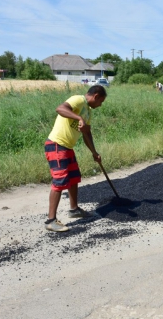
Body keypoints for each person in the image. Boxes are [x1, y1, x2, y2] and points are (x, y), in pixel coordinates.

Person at [44, 85, 107, 232]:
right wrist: (78, 117)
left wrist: (94, 152)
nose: (100, 105)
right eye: (101, 101)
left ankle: (74, 210)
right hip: (56, 145)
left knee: (73, 178)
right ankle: (50, 220)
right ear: (96, 96)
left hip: (67, 148)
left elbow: (87, 134)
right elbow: (60, 109)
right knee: (59, 181)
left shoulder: (89, 112)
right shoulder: (78, 100)